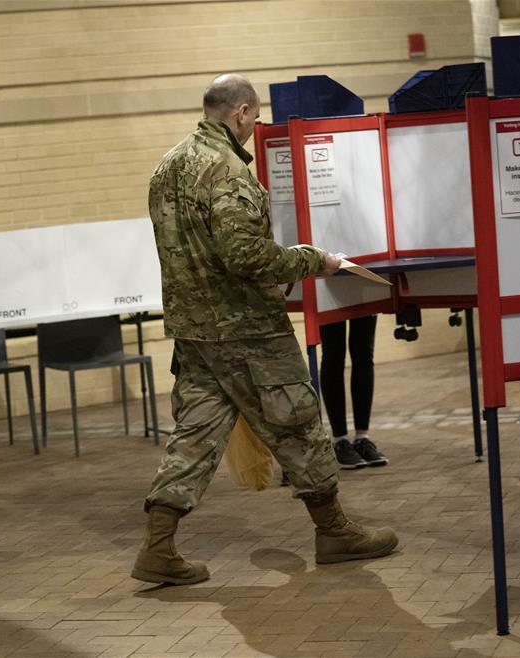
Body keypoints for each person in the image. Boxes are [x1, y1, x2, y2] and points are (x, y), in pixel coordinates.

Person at [132, 74, 398, 586]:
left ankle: (158, 546)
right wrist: (312, 260)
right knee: (298, 425)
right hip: (249, 332)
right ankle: (335, 531)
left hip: (195, 333)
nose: (255, 127)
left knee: (193, 436)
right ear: (241, 112)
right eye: (255, 118)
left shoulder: (167, 166)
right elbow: (244, 256)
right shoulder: (227, 171)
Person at [320, 316, 388, 469]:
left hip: (362, 291)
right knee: (333, 354)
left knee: (364, 353)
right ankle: (340, 440)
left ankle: (362, 438)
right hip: (327, 293)